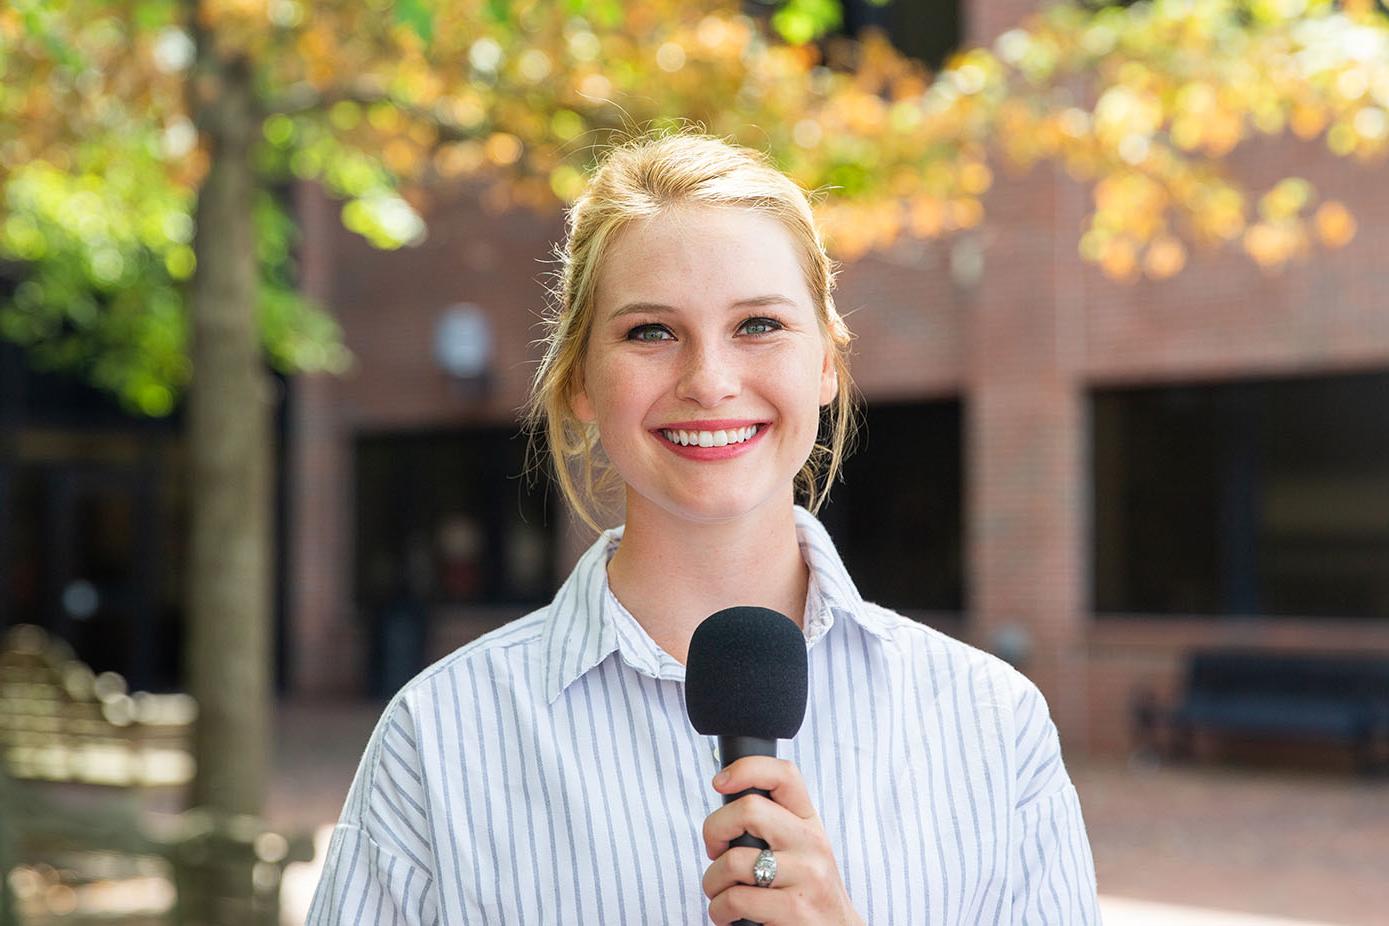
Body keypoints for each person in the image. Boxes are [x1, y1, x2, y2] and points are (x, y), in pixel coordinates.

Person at [307, 130, 1100, 924]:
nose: (710, 382)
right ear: (580, 378)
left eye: (758, 325)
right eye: (650, 332)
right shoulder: (440, 736)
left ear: (826, 361)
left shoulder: (990, 723)